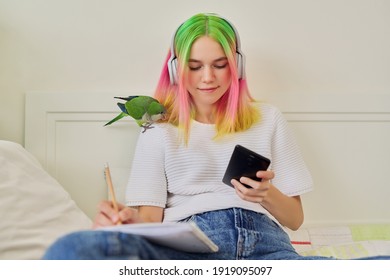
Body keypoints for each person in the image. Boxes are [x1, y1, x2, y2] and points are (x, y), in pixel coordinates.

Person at [42, 13, 377, 260]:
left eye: (220, 65)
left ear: (237, 66)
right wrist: (127, 220)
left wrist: (265, 192)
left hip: (267, 247)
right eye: (194, 66)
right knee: (72, 249)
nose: (207, 78)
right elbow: (149, 221)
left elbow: (295, 219)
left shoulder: (268, 119)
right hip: (189, 247)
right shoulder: (157, 131)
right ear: (176, 69)